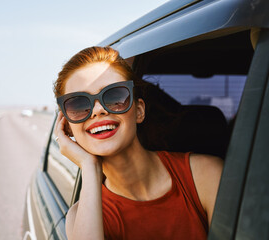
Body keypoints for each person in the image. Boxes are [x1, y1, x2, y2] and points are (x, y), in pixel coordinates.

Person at [53, 46, 223, 240]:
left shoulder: (205, 175)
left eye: (115, 96)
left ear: (139, 111)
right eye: (78, 104)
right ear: (67, 127)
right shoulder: (81, 218)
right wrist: (89, 167)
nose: (97, 110)